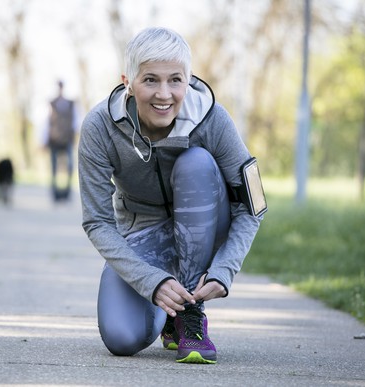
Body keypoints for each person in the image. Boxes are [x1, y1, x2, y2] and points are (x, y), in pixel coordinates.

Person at [78, 27, 265, 364]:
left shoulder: (213, 120)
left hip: (206, 224)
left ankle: (190, 313)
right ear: (127, 82)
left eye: (175, 80)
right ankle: (169, 311)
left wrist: (225, 270)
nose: (164, 94)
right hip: (142, 232)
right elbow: (97, 222)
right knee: (121, 338)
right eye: (150, 80)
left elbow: (252, 206)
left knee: (196, 163)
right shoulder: (100, 126)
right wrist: (151, 281)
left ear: (188, 79)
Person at [46, 80, 79, 202]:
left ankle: (67, 192)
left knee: (70, 166)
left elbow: (76, 121)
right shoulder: (51, 103)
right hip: (54, 139)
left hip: (67, 139)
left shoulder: (71, 104)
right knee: (54, 167)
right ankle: (55, 193)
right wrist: (44, 139)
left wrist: (75, 138)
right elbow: (46, 122)